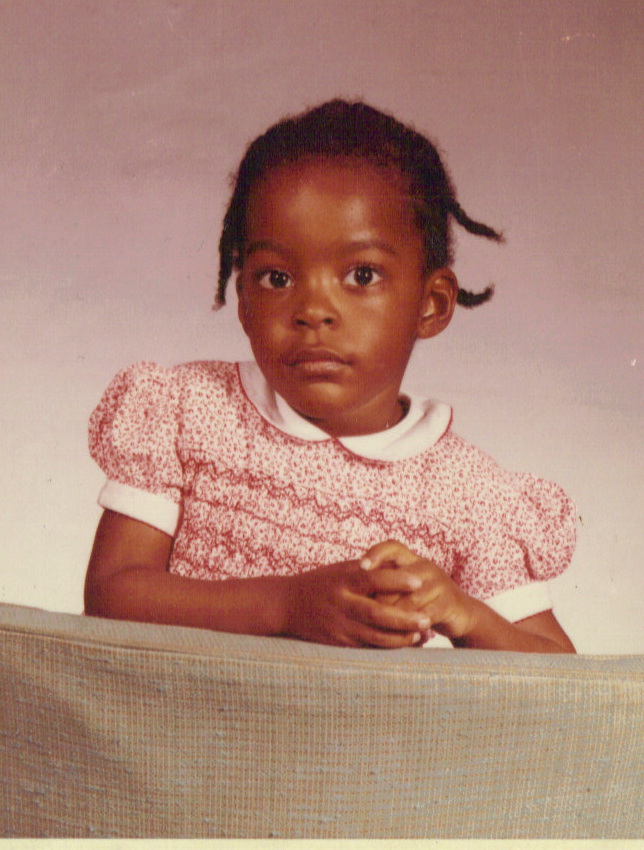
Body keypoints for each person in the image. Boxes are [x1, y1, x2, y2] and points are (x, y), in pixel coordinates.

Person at [85, 99, 576, 653]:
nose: (313, 310)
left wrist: (467, 615)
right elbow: (110, 594)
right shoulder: (189, 412)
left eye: (361, 275)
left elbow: (559, 671)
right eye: (276, 278)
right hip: (185, 712)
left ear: (432, 304)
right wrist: (287, 606)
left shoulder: (469, 494)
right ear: (244, 300)